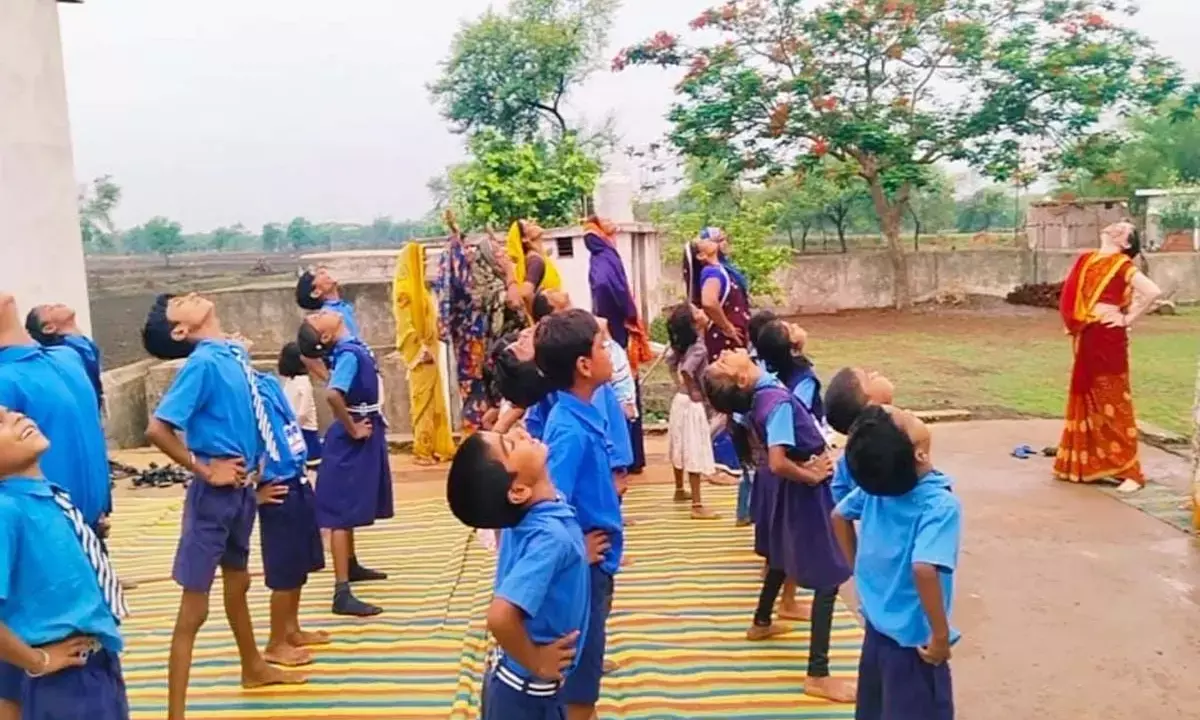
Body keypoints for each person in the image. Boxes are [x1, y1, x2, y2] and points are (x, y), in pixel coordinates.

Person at [141, 293, 305, 720]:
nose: (192, 295)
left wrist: (255, 479)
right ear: (181, 331)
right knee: (194, 610)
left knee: (240, 582)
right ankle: (175, 713)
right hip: (213, 499)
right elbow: (158, 428)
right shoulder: (204, 363)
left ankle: (253, 666)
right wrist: (203, 468)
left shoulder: (230, 355)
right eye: (181, 302)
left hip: (240, 492)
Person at [703, 348, 853, 702]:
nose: (726, 351)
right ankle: (818, 673)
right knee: (829, 575)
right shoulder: (776, 401)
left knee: (779, 554)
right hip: (800, 489)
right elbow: (779, 460)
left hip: (779, 488)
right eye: (724, 361)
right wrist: (811, 475)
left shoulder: (759, 397)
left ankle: (761, 621)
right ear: (742, 378)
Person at [446, 431, 590, 720]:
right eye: (510, 444)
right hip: (525, 696)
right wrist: (537, 662)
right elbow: (499, 616)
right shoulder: (550, 538)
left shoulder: (528, 512)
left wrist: (578, 552)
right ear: (518, 491)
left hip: (522, 684)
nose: (520, 433)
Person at [0, 405, 130, 720]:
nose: (16, 416)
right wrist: (37, 661)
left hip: (97, 661)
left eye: (8, 411)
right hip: (63, 677)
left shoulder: (45, 496)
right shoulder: (7, 511)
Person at [833, 405, 960, 720]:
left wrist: (858, 570)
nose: (905, 411)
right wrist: (940, 637)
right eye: (907, 418)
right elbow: (924, 567)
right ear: (919, 454)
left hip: (876, 633)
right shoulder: (939, 506)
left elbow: (839, 516)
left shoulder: (878, 490)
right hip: (916, 647)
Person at [534, 309, 623, 720]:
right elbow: (552, 502)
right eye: (602, 346)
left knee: (588, 657)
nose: (609, 352)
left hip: (595, 564)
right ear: (584, 366)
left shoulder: (578, 413)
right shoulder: (569, 429)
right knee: (581, 674)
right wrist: (577, 548)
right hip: (585, 570)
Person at [1054, 221, 1162, 494]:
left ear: (1127, 243)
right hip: (1087, 335)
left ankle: (1130, 472)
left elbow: (1152, 292)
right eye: (1117, 225)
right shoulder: (1087, 259)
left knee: (1112, 399)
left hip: (1107, 338)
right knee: (1087, 397)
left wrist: (1127, 319)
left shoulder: (1123, 265)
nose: (1116, 227)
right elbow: (1069, 295)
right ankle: (1089, 464)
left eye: (1124, 229)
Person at [298, 309, 394, 617]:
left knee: (351, 504)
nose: (318, 313)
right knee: (340, 512)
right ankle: (341, 591)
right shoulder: (348, 355)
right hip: (352, 436)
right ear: (325, 335)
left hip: (364, 425)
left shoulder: (347, 348)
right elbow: (333, 395)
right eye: (315, 320)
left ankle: (350, 565)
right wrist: (353, 427)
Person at [0, 292, 110, 536]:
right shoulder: (4, 380)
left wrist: (102, 503)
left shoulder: (67, 357)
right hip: (48, 532)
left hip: (90, 525)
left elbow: (88, 433)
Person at [252, 370, 329, 668]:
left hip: (296, 480)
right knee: (283, 574)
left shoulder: (266, 383)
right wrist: (253, 492)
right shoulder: (243, 393)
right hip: (277, 488)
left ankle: (291, 629)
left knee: (299, 566)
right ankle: (275, 642)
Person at [434, 213, 521, 433]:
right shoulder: (497, 292)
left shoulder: (484, 291)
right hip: (499, 366)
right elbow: (516, 306)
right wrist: (510, 272)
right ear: (490, 260)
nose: (504, 256)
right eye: (498, 253)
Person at [583, 216, 650, 474]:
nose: (613, 222)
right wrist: (625, 314)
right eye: (606, 221)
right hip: (617, 329)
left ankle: (631, 456)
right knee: (623, 388)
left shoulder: (605, 253)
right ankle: (627, 456)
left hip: (617, 326)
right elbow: (604, 286)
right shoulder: (603, 256)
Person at [393, 242, 455, 465]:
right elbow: (404, 325)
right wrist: (419, 350)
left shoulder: (421, 290)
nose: (425, 263)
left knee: (435, 400)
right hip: (421, 354)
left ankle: (438, 446)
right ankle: (423, 449)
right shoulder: (404, 291)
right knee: (422, 401)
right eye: (422, 259)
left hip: (431, 350)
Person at [665, 303, 718, 519]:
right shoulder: (698, 347)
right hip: (691, 403)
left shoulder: (681, 346)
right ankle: (697, 505)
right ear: (694, 323)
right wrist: (695, 390)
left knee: (679, 444)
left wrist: (681, 385)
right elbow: (688, 370)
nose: (703, 313)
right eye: (698, 312)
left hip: (680, 399)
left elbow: (671, 362)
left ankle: (679, 488)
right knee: (694, 448)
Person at [824, 367, 896, 504]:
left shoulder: (847, 462)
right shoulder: (903, 440)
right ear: (871, 404)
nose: (875, 373)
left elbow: (838, 501)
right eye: (869, 379)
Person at [24, 303, 104, 411]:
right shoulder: (63, 353)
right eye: (51, 309)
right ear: (49, 328)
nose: (58, 305)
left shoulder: (82, 343)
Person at [278, 343, 322, 469]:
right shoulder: (295, 381)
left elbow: (303, 412)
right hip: (296, 429)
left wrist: (292, 424)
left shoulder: (301, 382)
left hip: (304, 430)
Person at [296, 266, 361, 339]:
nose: (327, 273)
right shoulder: (329, 315)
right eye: (321, 274)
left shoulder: (344, 305)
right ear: (316, 292)